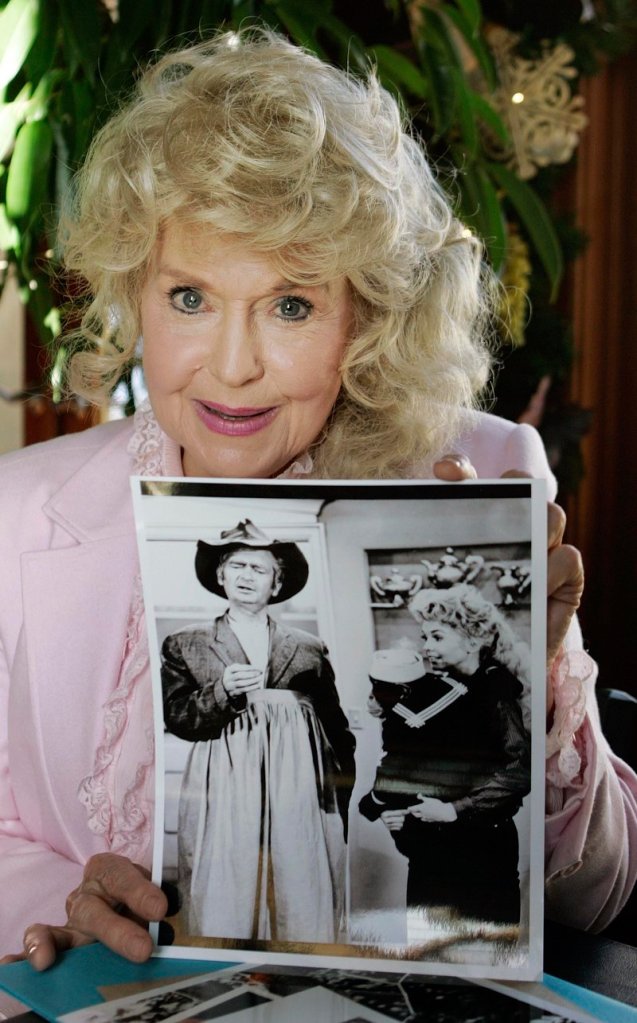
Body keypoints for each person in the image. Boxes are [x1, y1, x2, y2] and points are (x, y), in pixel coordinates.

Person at [0, 27, 635, 969]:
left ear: (367, 317)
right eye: (189, 297)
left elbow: (597, 893)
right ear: (135, 286)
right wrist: (68, 903)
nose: (230, 365)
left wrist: (534, 683)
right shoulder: (19, 510)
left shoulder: (488, 470)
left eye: (291, 304)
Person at [161, 519, 354, 942]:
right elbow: (177, 717)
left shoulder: (308, 647)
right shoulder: (185, 643)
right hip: (225, 778)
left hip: (297, 780)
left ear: (277, 583)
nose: (247, 576)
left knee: (300, 873)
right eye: (237, 566)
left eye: (259, 569)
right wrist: (221, 692)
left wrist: (341, 796)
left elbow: (336, 726)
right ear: (220, 576)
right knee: (227, 875)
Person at [359, 587, 531, 926]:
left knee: (483, 955)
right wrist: (394, 809)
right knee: (430, 952)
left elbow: (520, 770)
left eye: (437, 636)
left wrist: (454, 810)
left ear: (473, 639)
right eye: (425, 636)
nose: (426, 646)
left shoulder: (495, 687)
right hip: (430, 848)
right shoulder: (439, 688)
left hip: (483, 848)